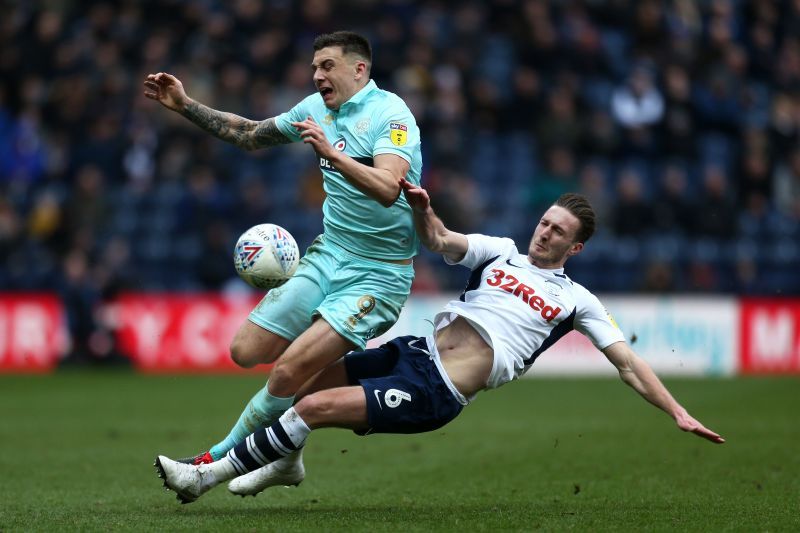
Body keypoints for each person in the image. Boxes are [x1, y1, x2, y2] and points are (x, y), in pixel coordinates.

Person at [155, 182, 724, 504]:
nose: (544, 232)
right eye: (545, 222)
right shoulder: (501, 250)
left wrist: (676, 410)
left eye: (558, 232)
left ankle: (207, 473)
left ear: (575, 249)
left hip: (438, 391)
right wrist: (425, 211)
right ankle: (286, 463)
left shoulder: (579, 302)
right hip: (413, 351)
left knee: (311, 407)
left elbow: (626, 363)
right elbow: (442, 241)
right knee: (299, 377)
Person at [143, 31, 422, 463]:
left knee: (289, 371)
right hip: (330, 253)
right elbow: (251, 134)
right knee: (245, 351)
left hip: (379, 273)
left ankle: (213, 460)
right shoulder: (314, 110)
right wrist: (186, 106)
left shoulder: (392, 115)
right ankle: (293, 447)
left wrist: (333, 154)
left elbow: (388, 188)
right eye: (314, 67)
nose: (317, 75)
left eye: (327, 66)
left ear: (359, 68)